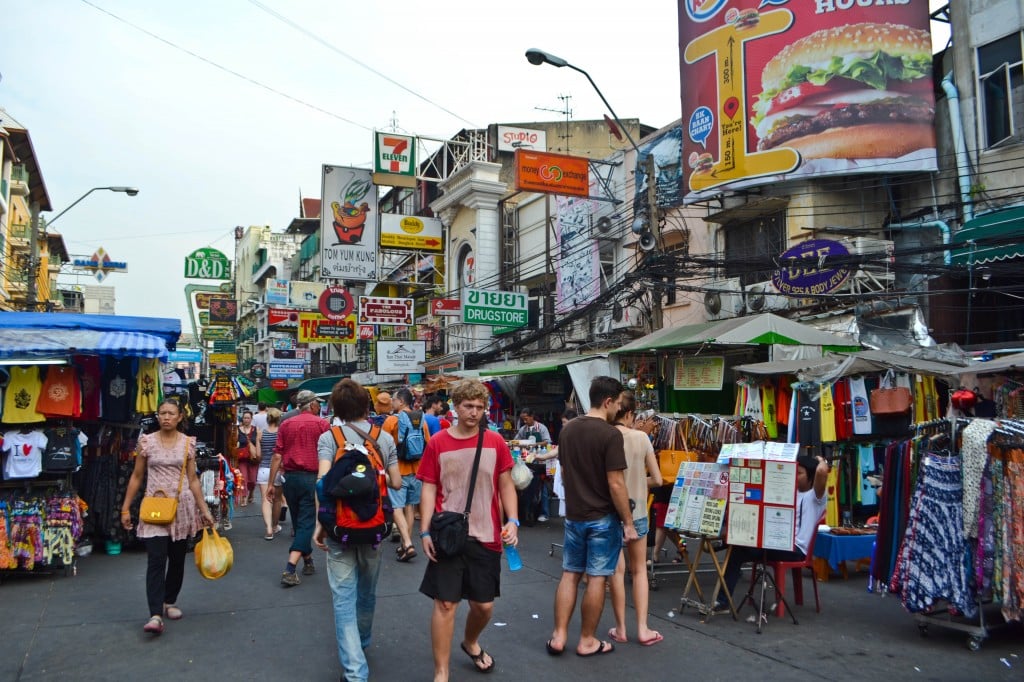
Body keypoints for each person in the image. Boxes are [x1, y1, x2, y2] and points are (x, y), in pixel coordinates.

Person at [417, 379, 519, 680]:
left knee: (483, 606)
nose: (474, 412)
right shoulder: (438, 443)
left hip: (487, 534)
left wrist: (512, 520)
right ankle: (442, 671)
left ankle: (470, 642)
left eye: (479, 407)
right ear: (456, 407)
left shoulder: (495, 442)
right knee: (446, 603)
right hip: (448, 534)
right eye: (468, 406)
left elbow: (506, 483)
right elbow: (428, 488)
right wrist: (424, 531)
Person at [314, 378, 402, 682]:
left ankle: (355, 672)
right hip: (375, 527)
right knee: (367, 592)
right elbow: (397, 483)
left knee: (343, 598)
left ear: (335, 408)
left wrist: (319, 525)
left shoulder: (330, 437)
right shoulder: (383, 438)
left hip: (339, 528)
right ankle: (361, 644)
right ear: (367, 405)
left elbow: (323, 484)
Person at [547, 376, 637, 658]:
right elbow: (616, 484)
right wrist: (628, 522)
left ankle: (559, 635)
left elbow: (566, 471)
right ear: (608, 401)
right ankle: (587, 640)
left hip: (574, 515)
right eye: (619, 404)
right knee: (597, 578)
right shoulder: (610, 435)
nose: (619, 410)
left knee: (570, 574)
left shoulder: (568, 431)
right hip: (602, 517)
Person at [121, 398, 215, 635]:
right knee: (156, 559)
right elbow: (136, 476)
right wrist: (125, 508)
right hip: (154, 507)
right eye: (162, 413)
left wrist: (204, 511)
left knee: (177, 559)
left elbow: (193, 480)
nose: (166, 417)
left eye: (171, 413)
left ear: (180, 417)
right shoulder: (147, 442)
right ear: (157, 416)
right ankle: (155, 614)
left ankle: (169, 600)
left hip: (182, 507)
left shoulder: (187, 444)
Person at [716, 454, 829, 613]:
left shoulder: (816, 497)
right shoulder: (789, 492)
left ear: (810, 476)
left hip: (795, 549)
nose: (795, 475)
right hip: (777, 541)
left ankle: (722, 600)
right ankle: (723, 599)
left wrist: (820, 459)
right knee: (737, 548)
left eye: (800, 473)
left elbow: (822, 472)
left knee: (737, 549)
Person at [607, 391, 664, 646]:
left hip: (611, 513)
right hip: (638, 511)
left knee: (616, 572)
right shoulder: (642, 438)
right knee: (639, 570)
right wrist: (640, 482)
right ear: (630, 414)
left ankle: (620, 628)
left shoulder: (605, 436)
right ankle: (643, 628)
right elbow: (659, 479)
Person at [268, 389, 328, 587]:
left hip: (290, 479)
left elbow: (277, 455)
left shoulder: (286, 424)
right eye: (317, 403)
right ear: (311, 405)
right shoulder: (322, 424)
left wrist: (271, 483)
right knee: (306, 522)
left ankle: (308, 560)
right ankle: (290, 567)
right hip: (312, 478)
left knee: (299, 519)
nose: (319, 406)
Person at [382, 388, 428, 563]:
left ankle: (407, 544)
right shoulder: (420, 419)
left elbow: (385, 447)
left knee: (396, 506)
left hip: (397, 471)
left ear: (401, 402)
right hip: (417, 470)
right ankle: (404, 544)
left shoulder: (391, 421)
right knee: (410, 506)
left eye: (393, 400)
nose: (392, 403)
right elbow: (427, 444)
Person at [515, 408, 554, 524]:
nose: (524, 421)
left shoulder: (541, 428)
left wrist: (534, 444)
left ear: (532, 416)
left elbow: (548, 441)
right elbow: (517, 440)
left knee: (538, 487)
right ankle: (526, 512)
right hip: (527, 462)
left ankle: (540, 513)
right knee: (526, 488)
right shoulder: (523, 429)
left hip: (540, 462)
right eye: (523, 419)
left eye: (526, 418)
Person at [257, 407, 285, 540]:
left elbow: (258, 455)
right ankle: (275, 525)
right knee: (277, 500)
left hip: (263, 469)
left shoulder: (261, 433)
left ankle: (268, 529)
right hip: (278, 469)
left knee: (265, 499)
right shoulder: (282, 433)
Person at [237, 409, 260, 507]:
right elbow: (235, 443)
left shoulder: (256, 429)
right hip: (242, 458)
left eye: (248, 418)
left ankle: (251, 493)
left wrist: (258, 454)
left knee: (253, 480)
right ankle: (244, 498)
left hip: (253, 458)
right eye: (245, 418)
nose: (246, 420)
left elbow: (259, 443)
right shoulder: (238, 430)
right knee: (243, 478)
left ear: (251, 419)